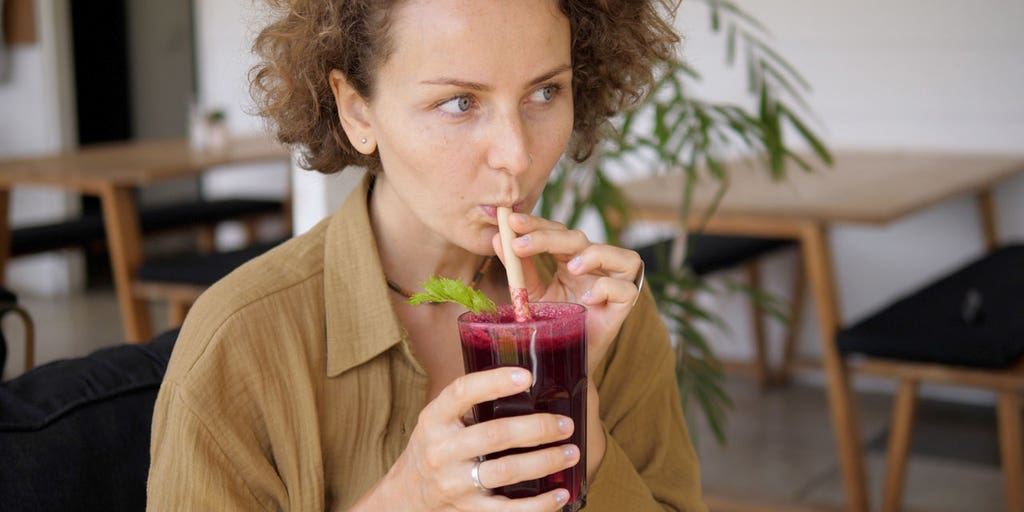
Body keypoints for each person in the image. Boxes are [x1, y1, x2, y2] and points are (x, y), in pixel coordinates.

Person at [147, 0, 706, 510]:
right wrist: (404, 497)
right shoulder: (239, 341)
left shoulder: (600, 309)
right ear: (357, 112)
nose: (516, 153)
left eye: (545, 92)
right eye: (459, 102)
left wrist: (584, 431)